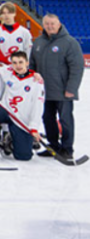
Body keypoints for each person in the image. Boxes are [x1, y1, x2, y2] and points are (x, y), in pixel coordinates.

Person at [31, 14, 82, 158]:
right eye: (46, 24)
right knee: (48, 119)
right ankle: (53, 146)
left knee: (65, 120)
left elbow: (77, 68)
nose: (49, 26)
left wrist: (71, 89)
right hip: (43, 92)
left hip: (63, 91)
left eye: (52, 23)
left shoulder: (70, 42)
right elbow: (32, 66)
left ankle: (67, 148)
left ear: (59, 24)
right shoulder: (38, 42)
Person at [0, 51, 46, 161]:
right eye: (14, 63)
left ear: (27, 63)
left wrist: (34, 127)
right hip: (6, 111)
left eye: (21, 62)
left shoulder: (36, 81)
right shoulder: (7, 72)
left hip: (21, 120)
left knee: (24, 156)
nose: (18, 66)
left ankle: (12, 138)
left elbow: (38, 106)